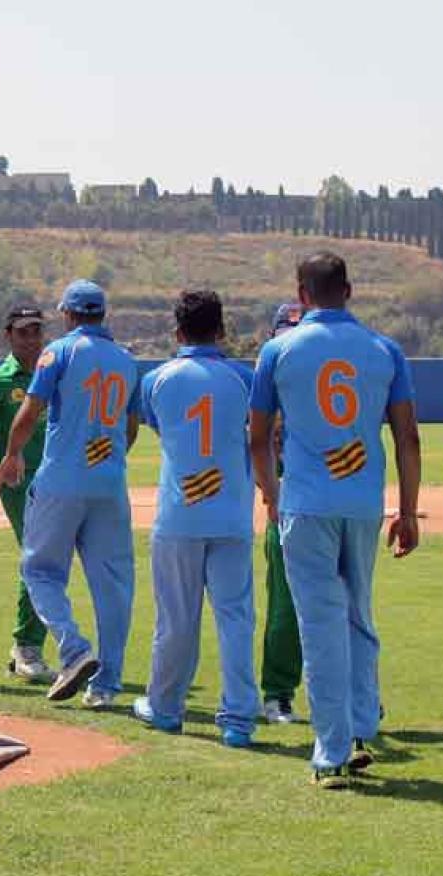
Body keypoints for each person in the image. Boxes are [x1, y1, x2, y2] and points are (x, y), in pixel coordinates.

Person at [249, 252, 421, 789]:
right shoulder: (384, 349)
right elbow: (408, 438)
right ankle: (363, 727)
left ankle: (332, 750)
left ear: (301, 295)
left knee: (319, 623)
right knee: (359, 617)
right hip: (363, 503)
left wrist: (271, 493)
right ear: (349, 289)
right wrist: (409, 510)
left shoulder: (278, 350)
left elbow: (257, 437)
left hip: (306, 502)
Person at [0, 279, 142, 707]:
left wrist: (10, 456)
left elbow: (28, 414)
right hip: (109, 482)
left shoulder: (58, 352)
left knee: (39, 570)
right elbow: (130, 427)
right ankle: (106, 686)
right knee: (114, 585)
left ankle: (74, 648)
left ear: (68, 313)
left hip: (61, 479)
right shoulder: (126, 360)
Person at [132, 291, 261, 747]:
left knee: (175, 619)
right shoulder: (246, 379)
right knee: (236, 619)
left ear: (177, 331)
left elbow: (159, 426)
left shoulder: (157, 379)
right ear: (223, 330)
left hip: (178, 516)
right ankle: (239, 719)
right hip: (231, 515)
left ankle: (165, 708)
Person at [0, 304, 53, 681]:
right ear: (9, 335)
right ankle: (26, 647)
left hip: (59, 480)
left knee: (49, 561)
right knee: (38, 559)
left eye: (36, 330)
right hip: (20, 484)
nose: (31, 338)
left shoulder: (57, 375)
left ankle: (29, 647)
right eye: (23, 332)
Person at [261, 302, 306, 724]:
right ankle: (277, 692)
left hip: (328, 502)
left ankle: (354, 690)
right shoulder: (267, 379)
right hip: (288, 503)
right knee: (285, 605)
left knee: (349, 604)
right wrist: (270, 491)